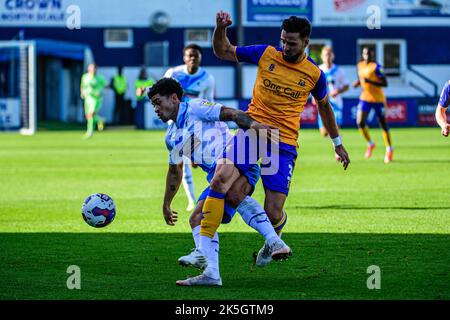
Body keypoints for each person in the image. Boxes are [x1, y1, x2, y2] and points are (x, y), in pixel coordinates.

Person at [212, 11, 350, 268]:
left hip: (282, 142)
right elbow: (223, 51)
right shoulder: (266, 53)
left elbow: (324, 107)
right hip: (252, 130)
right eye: (283, 40)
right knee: (224, 183)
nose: (285, 47)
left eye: (292, 43)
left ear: (306, 42)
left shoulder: (314, 74)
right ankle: (207, 248)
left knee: (273, 212)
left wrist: (337, 143)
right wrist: (220, 28)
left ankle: (274, 235)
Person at [148, 78, 291, 286]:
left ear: (174, 98)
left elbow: (231, 113)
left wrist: (254, 125)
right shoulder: (171, 137)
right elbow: (175, 171)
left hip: (239, 160)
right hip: (216, 178)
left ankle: (274, 241)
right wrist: (166, 203)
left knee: (232, 192)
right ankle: (212, 273)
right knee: (196, 218)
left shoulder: (196, 107)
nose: (155, 109)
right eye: (153, 105)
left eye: (157, 102)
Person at [164, 44, 216, 212]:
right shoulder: (173, 73)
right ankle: (192, 200)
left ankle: (219, 192)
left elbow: (209, 104)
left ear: (200, 58)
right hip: (176, 124)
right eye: (190, 56)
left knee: (199, 160)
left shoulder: (207, 78)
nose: (193, 58)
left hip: (195, 126)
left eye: (196, 56)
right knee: (181, 161)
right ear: (184, 58)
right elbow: (160, 90)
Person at [353, 47, 394, 163]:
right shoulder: (360, 65)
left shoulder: (376, 67)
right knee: (360, 122)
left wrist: (369, 82)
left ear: (372, 54)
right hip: (365, 98)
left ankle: (389, 149)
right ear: (363, 54)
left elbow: (385, 83)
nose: (367, 56)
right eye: (365, 54)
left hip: (378, 99)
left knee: (383, 124)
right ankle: (370, 144)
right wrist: (358, 83)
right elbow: (362, 79)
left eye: (369, 54)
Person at [317, 46, 349, 137]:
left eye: (329, 55)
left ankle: (338, 148)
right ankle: (338, 140)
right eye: (325, 55)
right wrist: (314, 96)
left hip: (336, 104)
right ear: (322, 57)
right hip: (322, 103)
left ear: (333, 56)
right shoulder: (319, 70)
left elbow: (346, 86)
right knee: (324, 133)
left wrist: (337, 91)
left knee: (335, 130)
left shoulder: (339, 70)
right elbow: (314, 86)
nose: (327, 57)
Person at [80, 63, 107, 139]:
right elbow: (82, 86)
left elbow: (106, 85)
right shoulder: (85, 77)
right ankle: (100, 120)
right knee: (88, 116)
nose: (93, 70)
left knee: (91, 114)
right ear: (89, 69)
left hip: (96, 99)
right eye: (91, 68)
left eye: (94, 68)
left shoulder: (99, 78)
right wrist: (82, 93)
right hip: (88, 98)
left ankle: (90, 132)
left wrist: (102, 91)